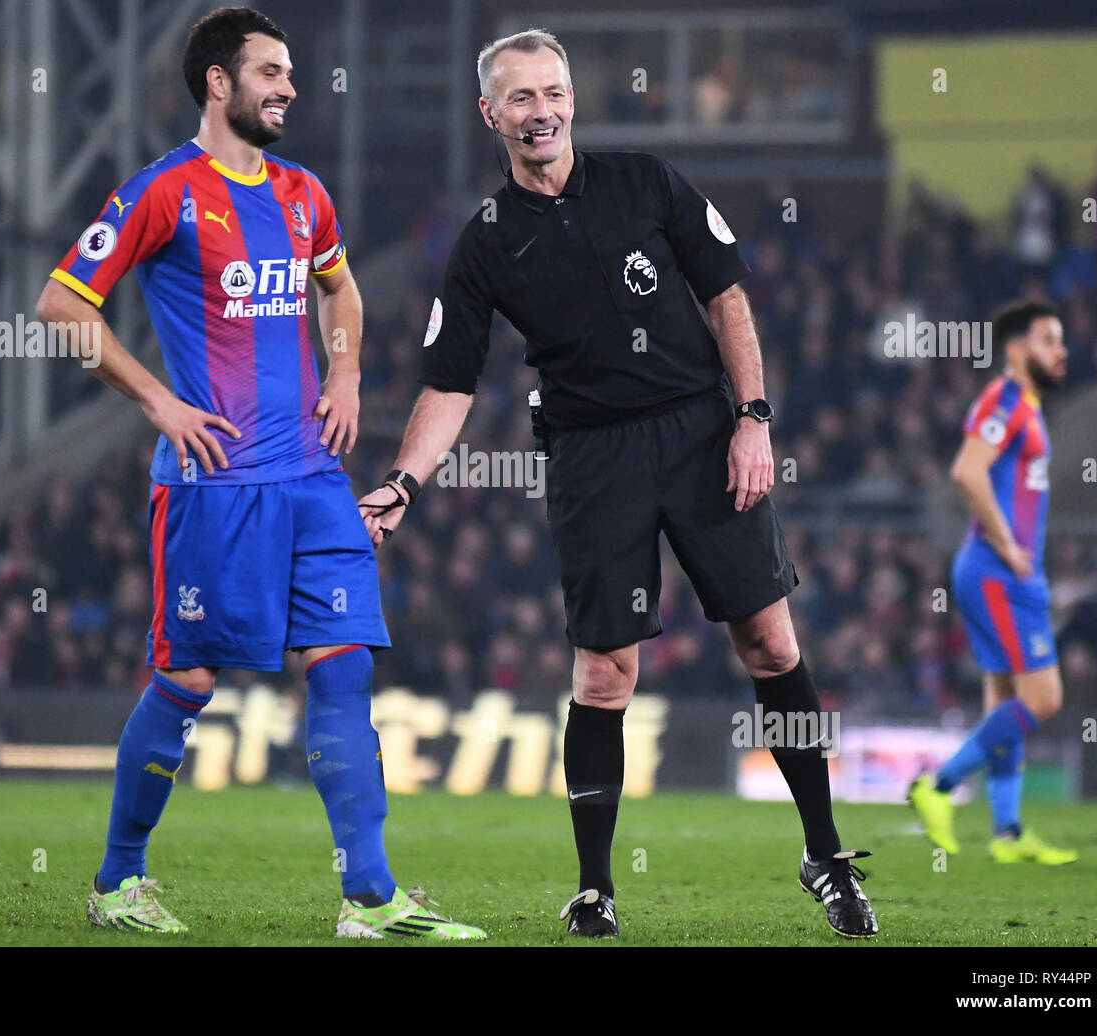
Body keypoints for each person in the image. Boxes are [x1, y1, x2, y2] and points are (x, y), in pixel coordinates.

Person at [358, 29, 878, 939]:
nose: (542, 111)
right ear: (491, 114)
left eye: (553, 92)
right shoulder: (484, 243)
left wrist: (753, 420)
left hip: (701, 430)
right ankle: (596, 888)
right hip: (593, 456)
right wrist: (402, 482)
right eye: (520, 98)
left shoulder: (647, 180)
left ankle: (824, 856)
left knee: (770, 642)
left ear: (572, 99)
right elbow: (450, 382)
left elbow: (727, 298)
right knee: (604, 675)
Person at [35, 6, 484, 939]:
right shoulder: (162, 192)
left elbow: (342, 287)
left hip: (316, 479)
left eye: (290, 73)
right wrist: (157, 403)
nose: (287, 87)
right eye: (270, 72)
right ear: (217, 81)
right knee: (190, 681)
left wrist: (349, 368)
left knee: (343, 668)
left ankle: (370, 900)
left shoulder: (302, 192)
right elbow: (59, 304)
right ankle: (118, 882)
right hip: (215, 484)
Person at [910, 300, 1077, 865]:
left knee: (1006, 697)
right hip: (998, 571)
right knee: (1044, 697)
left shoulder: (1025, 406)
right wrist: (1008, 545)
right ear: (1015, 348)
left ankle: (1007, 832)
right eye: (1050, 340)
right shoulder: (1004, 398)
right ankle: (936, 787)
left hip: (1002, 572)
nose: (1062, 351)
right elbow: (966, 469)